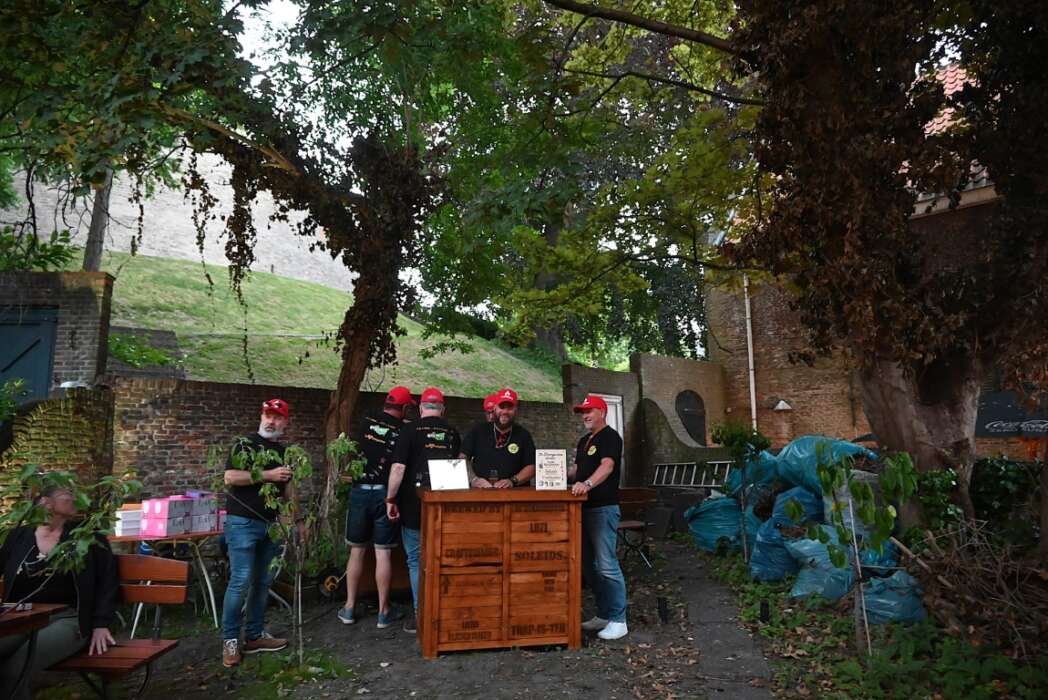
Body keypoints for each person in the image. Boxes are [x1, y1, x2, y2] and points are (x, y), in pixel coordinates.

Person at [0, 484, 119, 700]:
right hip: (21, 617)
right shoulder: (18, 536)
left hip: (69, 618)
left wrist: (101, 623)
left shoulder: (86, 536)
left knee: (15, 668)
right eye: (68, 495)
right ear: (47, 503)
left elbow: (107, 582)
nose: (75, 498)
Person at [220, 398, 295, 667]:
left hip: (271, 525)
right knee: (240, 580)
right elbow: (230, 477)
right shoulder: (245, 444)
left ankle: (254, 635)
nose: (271, 421)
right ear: (261, 416)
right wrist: (268, 475)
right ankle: (230, 640)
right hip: (242, 523)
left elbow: (288, 491)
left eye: (277, 417)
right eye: (267, 415)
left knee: (263, 582)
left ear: (285, 422)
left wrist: (292, 520)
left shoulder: (284, 452)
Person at [337, 386, 413, 628]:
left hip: (359, 491)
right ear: (404, 407)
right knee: (383, 553)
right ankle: (383, 611)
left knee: (357, 551)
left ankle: (349, 608)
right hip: (384, 494)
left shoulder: (366, 421)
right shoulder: (404, 430)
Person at [386, 386, 460, 633]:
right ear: (442, 409)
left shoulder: (409, 430)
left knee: (416, 560)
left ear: (420, 408)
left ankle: (422, 615)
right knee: (443, 558)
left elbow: (398, 468)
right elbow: (457, 465)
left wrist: (390, 498)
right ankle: (443, 612)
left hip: (412, 505)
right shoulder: (451, 431)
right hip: (445, 505)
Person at [569, 394, 628, 640]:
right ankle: (604, 614)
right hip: (583, 508)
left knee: (607, 565)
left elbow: (607, 466)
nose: (585, 415)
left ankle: (619, 620)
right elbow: (577, 471)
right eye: (583, 412)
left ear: (602, 412)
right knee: (588, 566)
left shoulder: (610, 437)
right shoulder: (585, 440)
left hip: (603, 508)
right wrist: (551, 470)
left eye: (589, 411)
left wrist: (587, 484)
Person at [461, 388, 536, 489]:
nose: (505, 411)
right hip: (480, 493)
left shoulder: (524, 435)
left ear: (516, 410)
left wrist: (513, 481)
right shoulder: (478, 431)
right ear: (495, 408)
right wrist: (474, 479)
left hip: (514, 494)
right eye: (502, 407)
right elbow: (462, 458)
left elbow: (533, 466)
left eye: (510, 408)